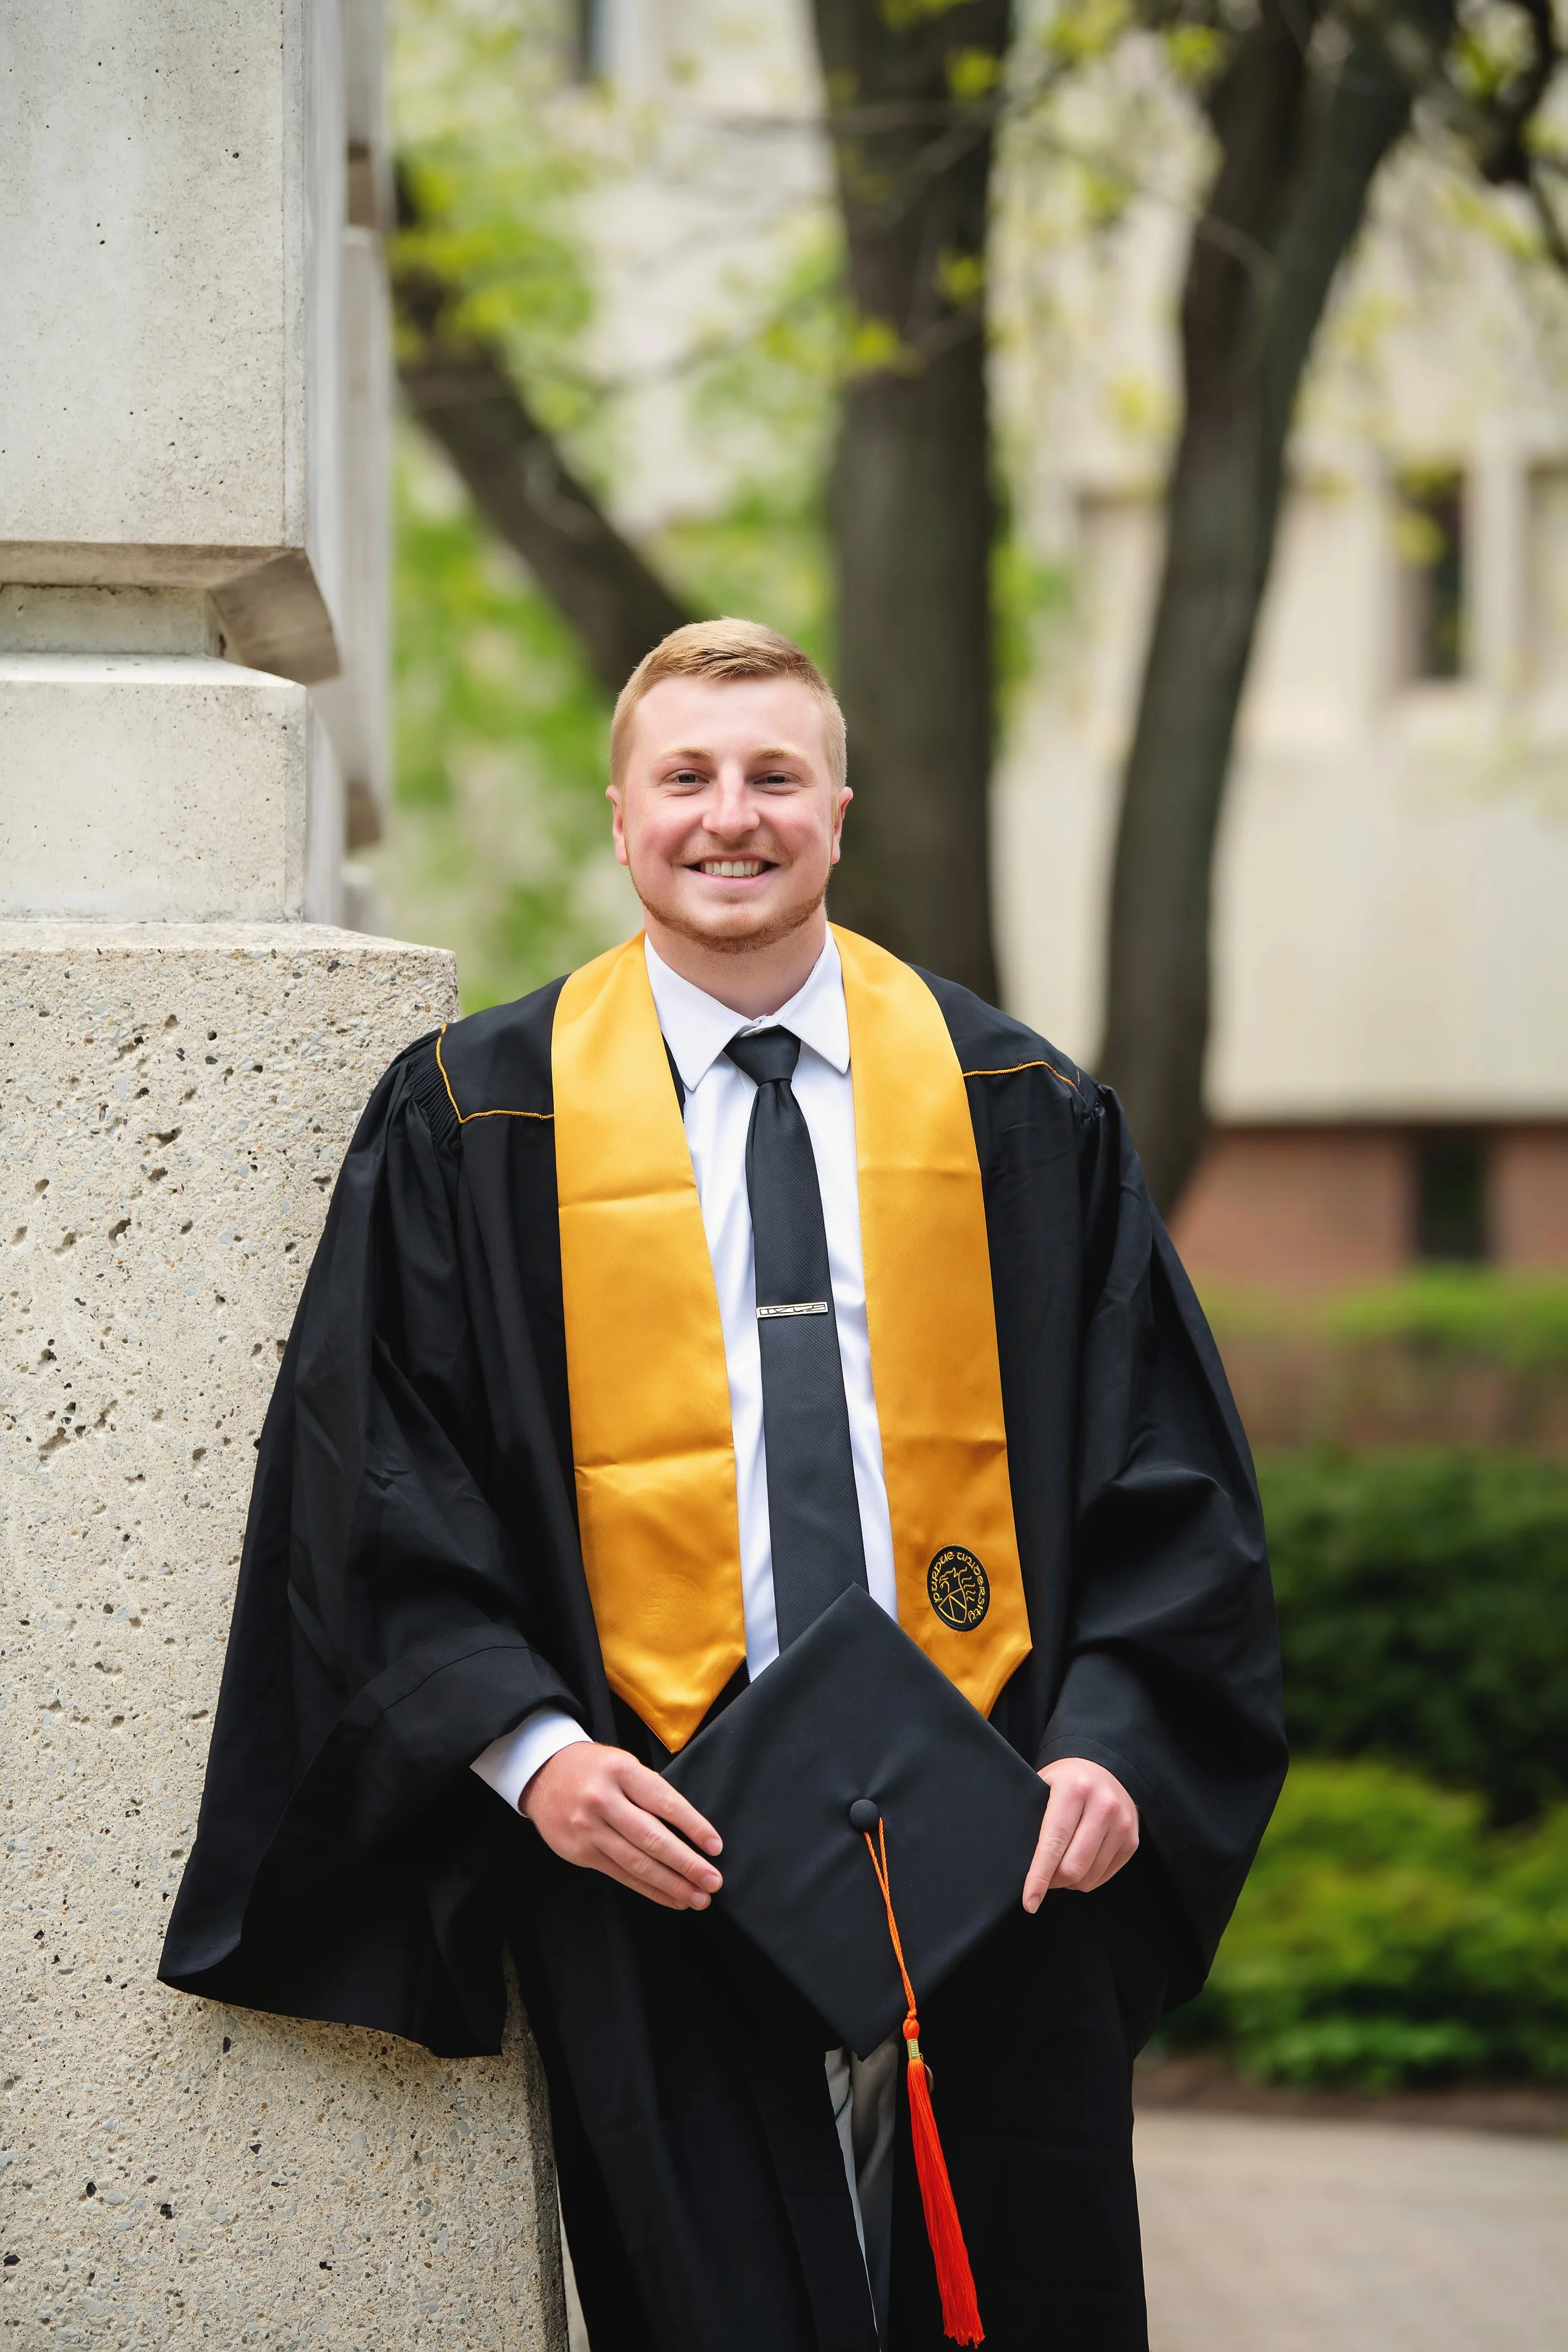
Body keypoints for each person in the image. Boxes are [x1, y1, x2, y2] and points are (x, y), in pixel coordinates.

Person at [161, 619, 1286, 2351]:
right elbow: (374, 1475)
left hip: (991, 1817)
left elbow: (1167, 1472)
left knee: (1019, 2294)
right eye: (685, 775)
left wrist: (1116, 1744)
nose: (730, 815)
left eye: (775, 775)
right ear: (622, 816)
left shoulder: (1015, 1107)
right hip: (651, 1827)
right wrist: (534, 1758)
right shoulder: (480, 1117)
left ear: (837, 811)